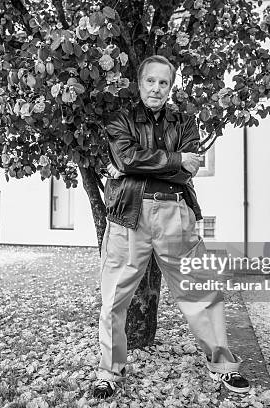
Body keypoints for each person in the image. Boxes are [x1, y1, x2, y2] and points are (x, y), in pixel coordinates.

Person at [93, 55, 250, 399]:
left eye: (164, 83)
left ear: (170, 87)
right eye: (151, 81)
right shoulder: (120, 118)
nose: (156, 88)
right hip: (129, 215)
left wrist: (140, 164)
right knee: (114, 296)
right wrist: (171, 160)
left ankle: (223, 365)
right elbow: (127, 157)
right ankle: (109, 371)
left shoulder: (186, 122)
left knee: (202, 290)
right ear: (139, 83)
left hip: (176, 213)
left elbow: (184, 169)